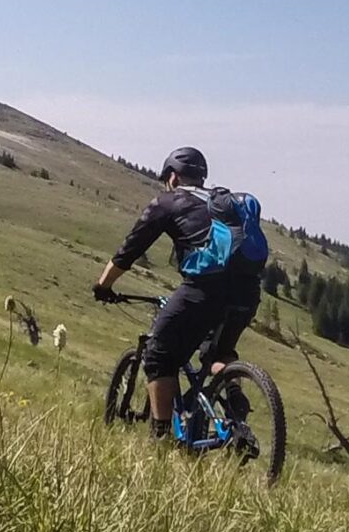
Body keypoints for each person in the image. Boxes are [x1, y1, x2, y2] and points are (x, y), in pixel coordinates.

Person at [91, 146, 267, 440]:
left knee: (158, 356)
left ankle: (161, 438)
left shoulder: (168, 201)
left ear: (172, 176)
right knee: (218, 353)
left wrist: (103, 286)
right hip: (248, 292)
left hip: (204, 290)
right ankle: (234, 399)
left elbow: (128, 252)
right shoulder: (221, 202)